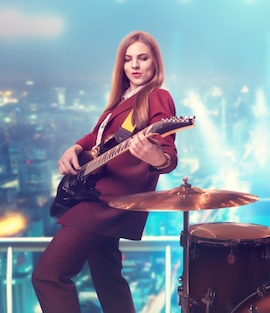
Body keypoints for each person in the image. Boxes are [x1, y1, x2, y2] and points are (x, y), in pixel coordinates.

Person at [32, 31, 178, 313]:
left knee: (48, 276)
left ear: (155, 63)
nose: (134, 65)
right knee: (109, 282)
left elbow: (167, 153)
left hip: (107, 201)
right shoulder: (122, 100)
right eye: (128, 59)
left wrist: (157, 158)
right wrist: (74, 148)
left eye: (142, 58)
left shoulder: (157, 96)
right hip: (100, 193)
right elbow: (97, 139)